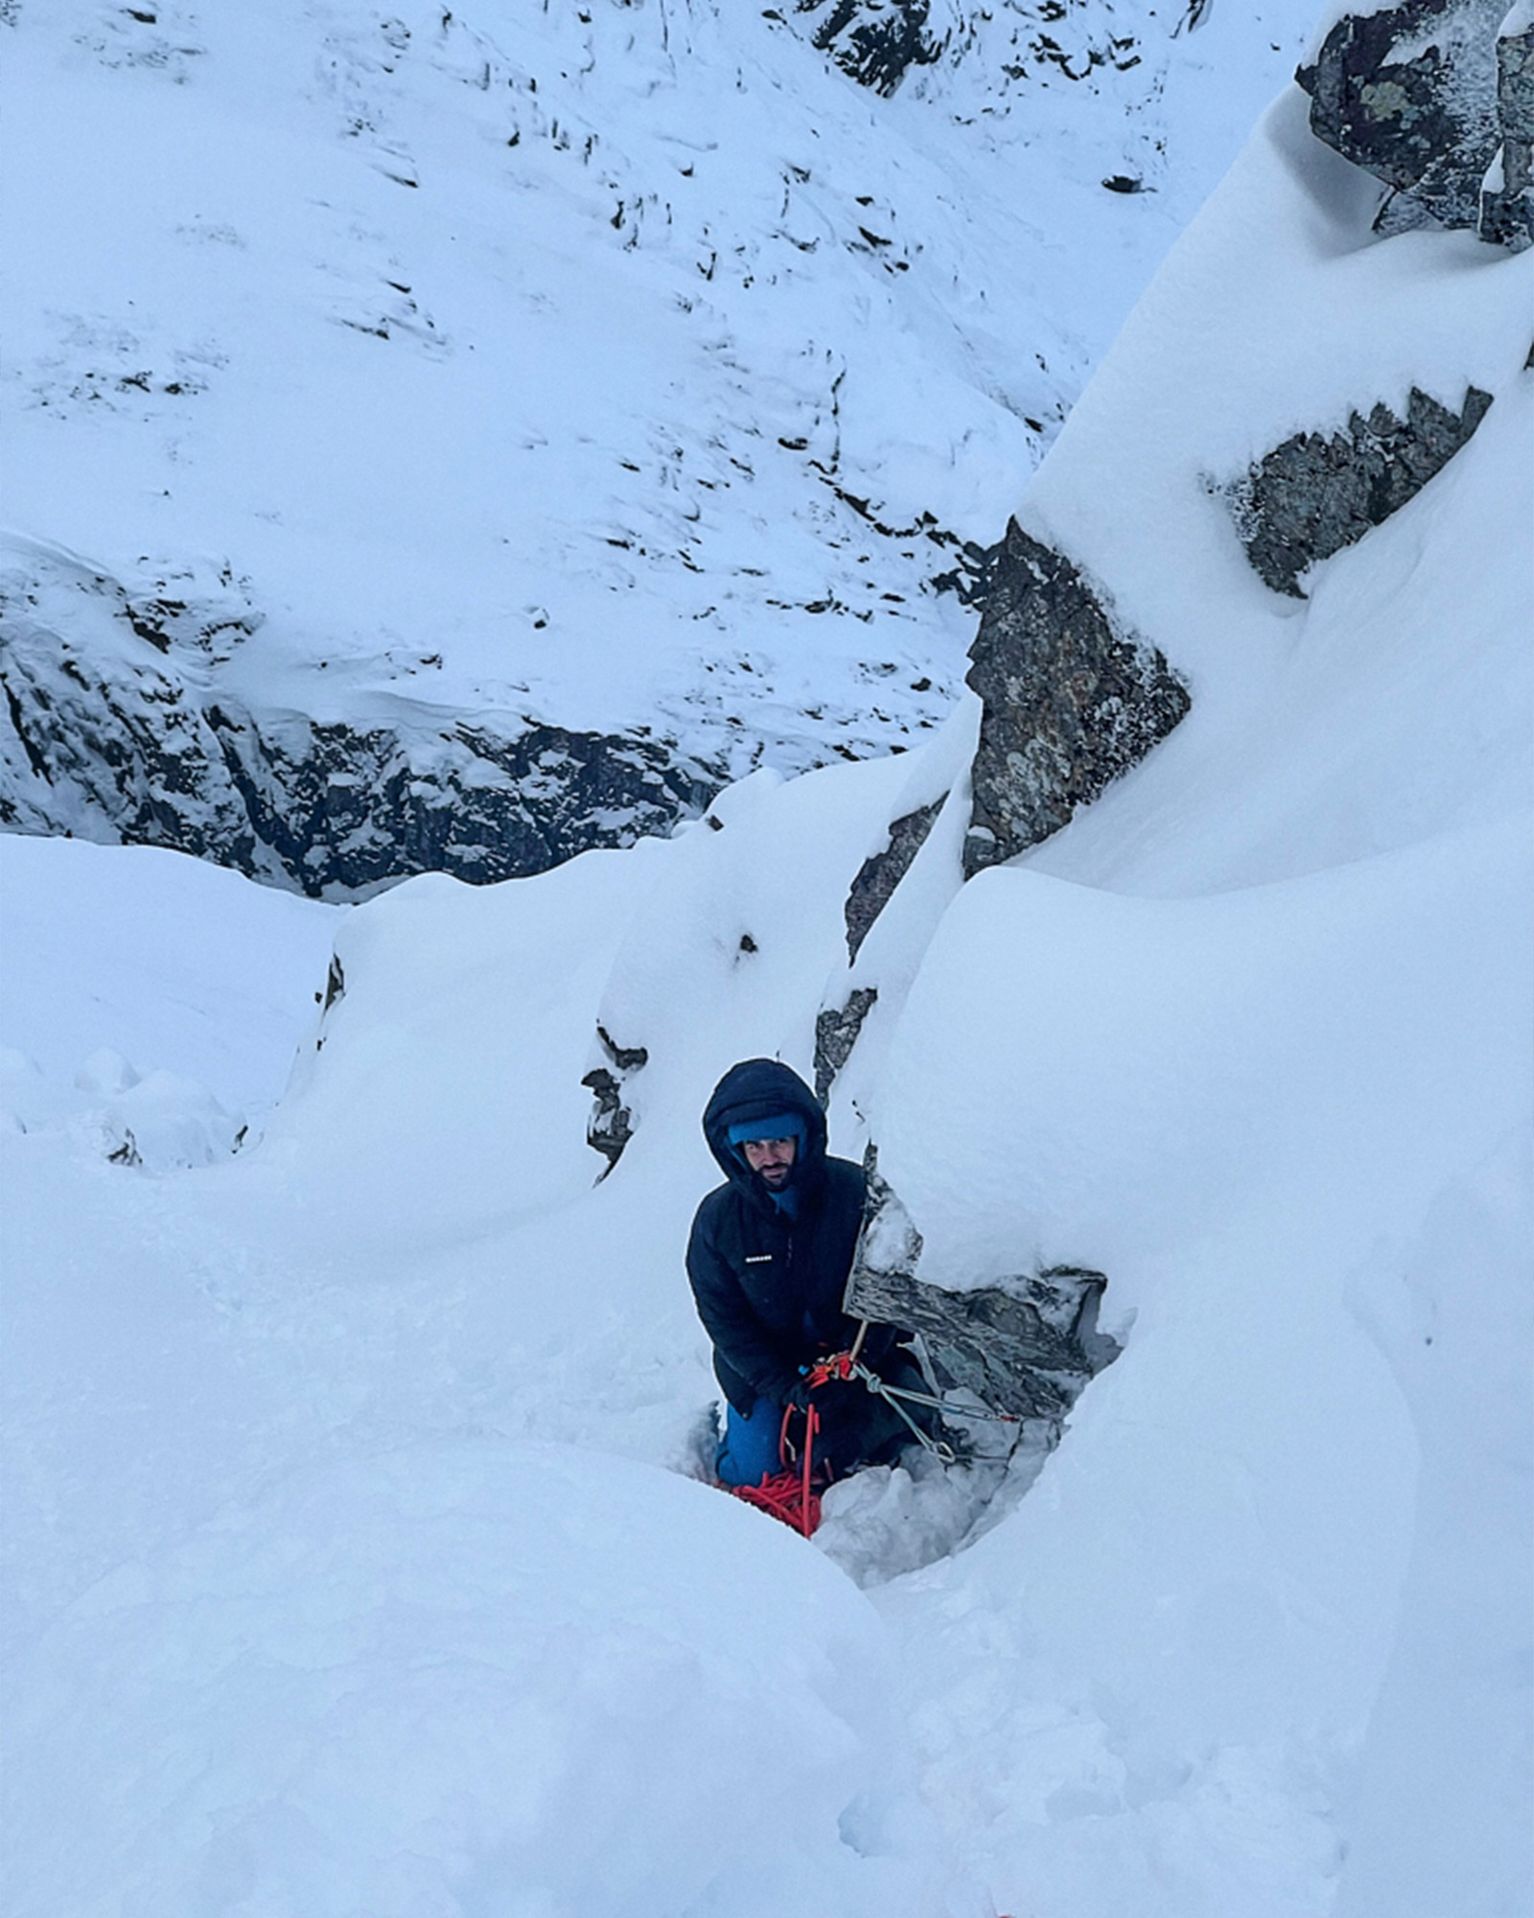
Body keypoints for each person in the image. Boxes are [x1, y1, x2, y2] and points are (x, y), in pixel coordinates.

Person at [686, 1056, 926, 1488]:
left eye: (779, 1141)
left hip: (857, 1361)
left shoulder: (855, 1194)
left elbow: (886, 1294)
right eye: (753, 1147)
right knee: (753, 1472)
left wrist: (854, 1365)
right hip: (765, 1373)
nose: (769, 1158)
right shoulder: (718, 1221)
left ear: (803, 1137)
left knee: (859, 1451)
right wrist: (787, 1389)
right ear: (735, 1151)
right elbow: (726, 1323)